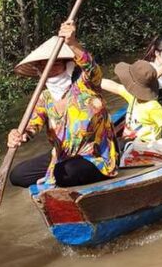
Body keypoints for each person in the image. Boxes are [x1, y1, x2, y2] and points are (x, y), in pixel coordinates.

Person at [8, 21, 118, 188]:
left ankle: (60, 177)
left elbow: (93, 70)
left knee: (65, 173)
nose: (49, 69)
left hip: (94, 155)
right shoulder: (44, 96)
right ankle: (56, 174)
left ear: (68, 64)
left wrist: (73, 43)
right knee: (18, 175)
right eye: (43, 65)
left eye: (55, 63)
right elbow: (32, 126)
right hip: (62, 155)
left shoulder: (84, 84)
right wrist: (19, 135)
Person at [100, 60, 162, 166]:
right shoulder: (132, 96)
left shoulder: (152, 106)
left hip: (146, 148)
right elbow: (114, 86)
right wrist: (92, 78)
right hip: (128, 144)